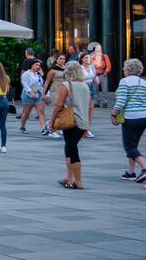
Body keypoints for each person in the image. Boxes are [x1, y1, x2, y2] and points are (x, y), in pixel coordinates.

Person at [51, 60, 91, 189]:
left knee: (72, 149)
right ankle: (69, 178)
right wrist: (88, 125)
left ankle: (78, 181)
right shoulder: (85, 86)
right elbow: (90, 106)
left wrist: (52, 121)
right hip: (82, 122)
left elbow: (58, 105)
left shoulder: (66, 85)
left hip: (71, 121)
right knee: (69, 147)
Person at [113, 58, 146, 181]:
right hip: (143, 117)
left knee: (129, 146)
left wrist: (113, 114)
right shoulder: (143, 83)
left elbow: (121, 100)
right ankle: (131, 172)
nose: (123, 70)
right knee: (134, 144)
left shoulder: (124, 81)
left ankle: (144, 168)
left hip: (130, 117)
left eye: (124, 68)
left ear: (128, 70)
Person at [19, 59, 49, 135]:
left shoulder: (38, 74)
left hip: (37, 94)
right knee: (26, 112)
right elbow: (25, 84)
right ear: (32, 65)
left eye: (39, 65)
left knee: (41, 111)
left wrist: (42, 75)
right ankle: (22, 126)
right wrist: (30, 92)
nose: (38, 67)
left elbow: (41, 84)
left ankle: (43, 128)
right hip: (28, 95)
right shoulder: (26, 74)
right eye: (36, 65)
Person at [90, 42, 111, 109]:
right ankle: (96, 102)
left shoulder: (104, 56)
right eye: (96, 48)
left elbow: (109, 66)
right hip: (95, 75)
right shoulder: (92, 56)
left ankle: (105, 102)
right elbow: (89, 65)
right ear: (95, 49)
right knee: (95, 90)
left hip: (102, 74)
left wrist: (106, 72)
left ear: (101, 49)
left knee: (104, 90)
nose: (98, 50)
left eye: (99, 48)